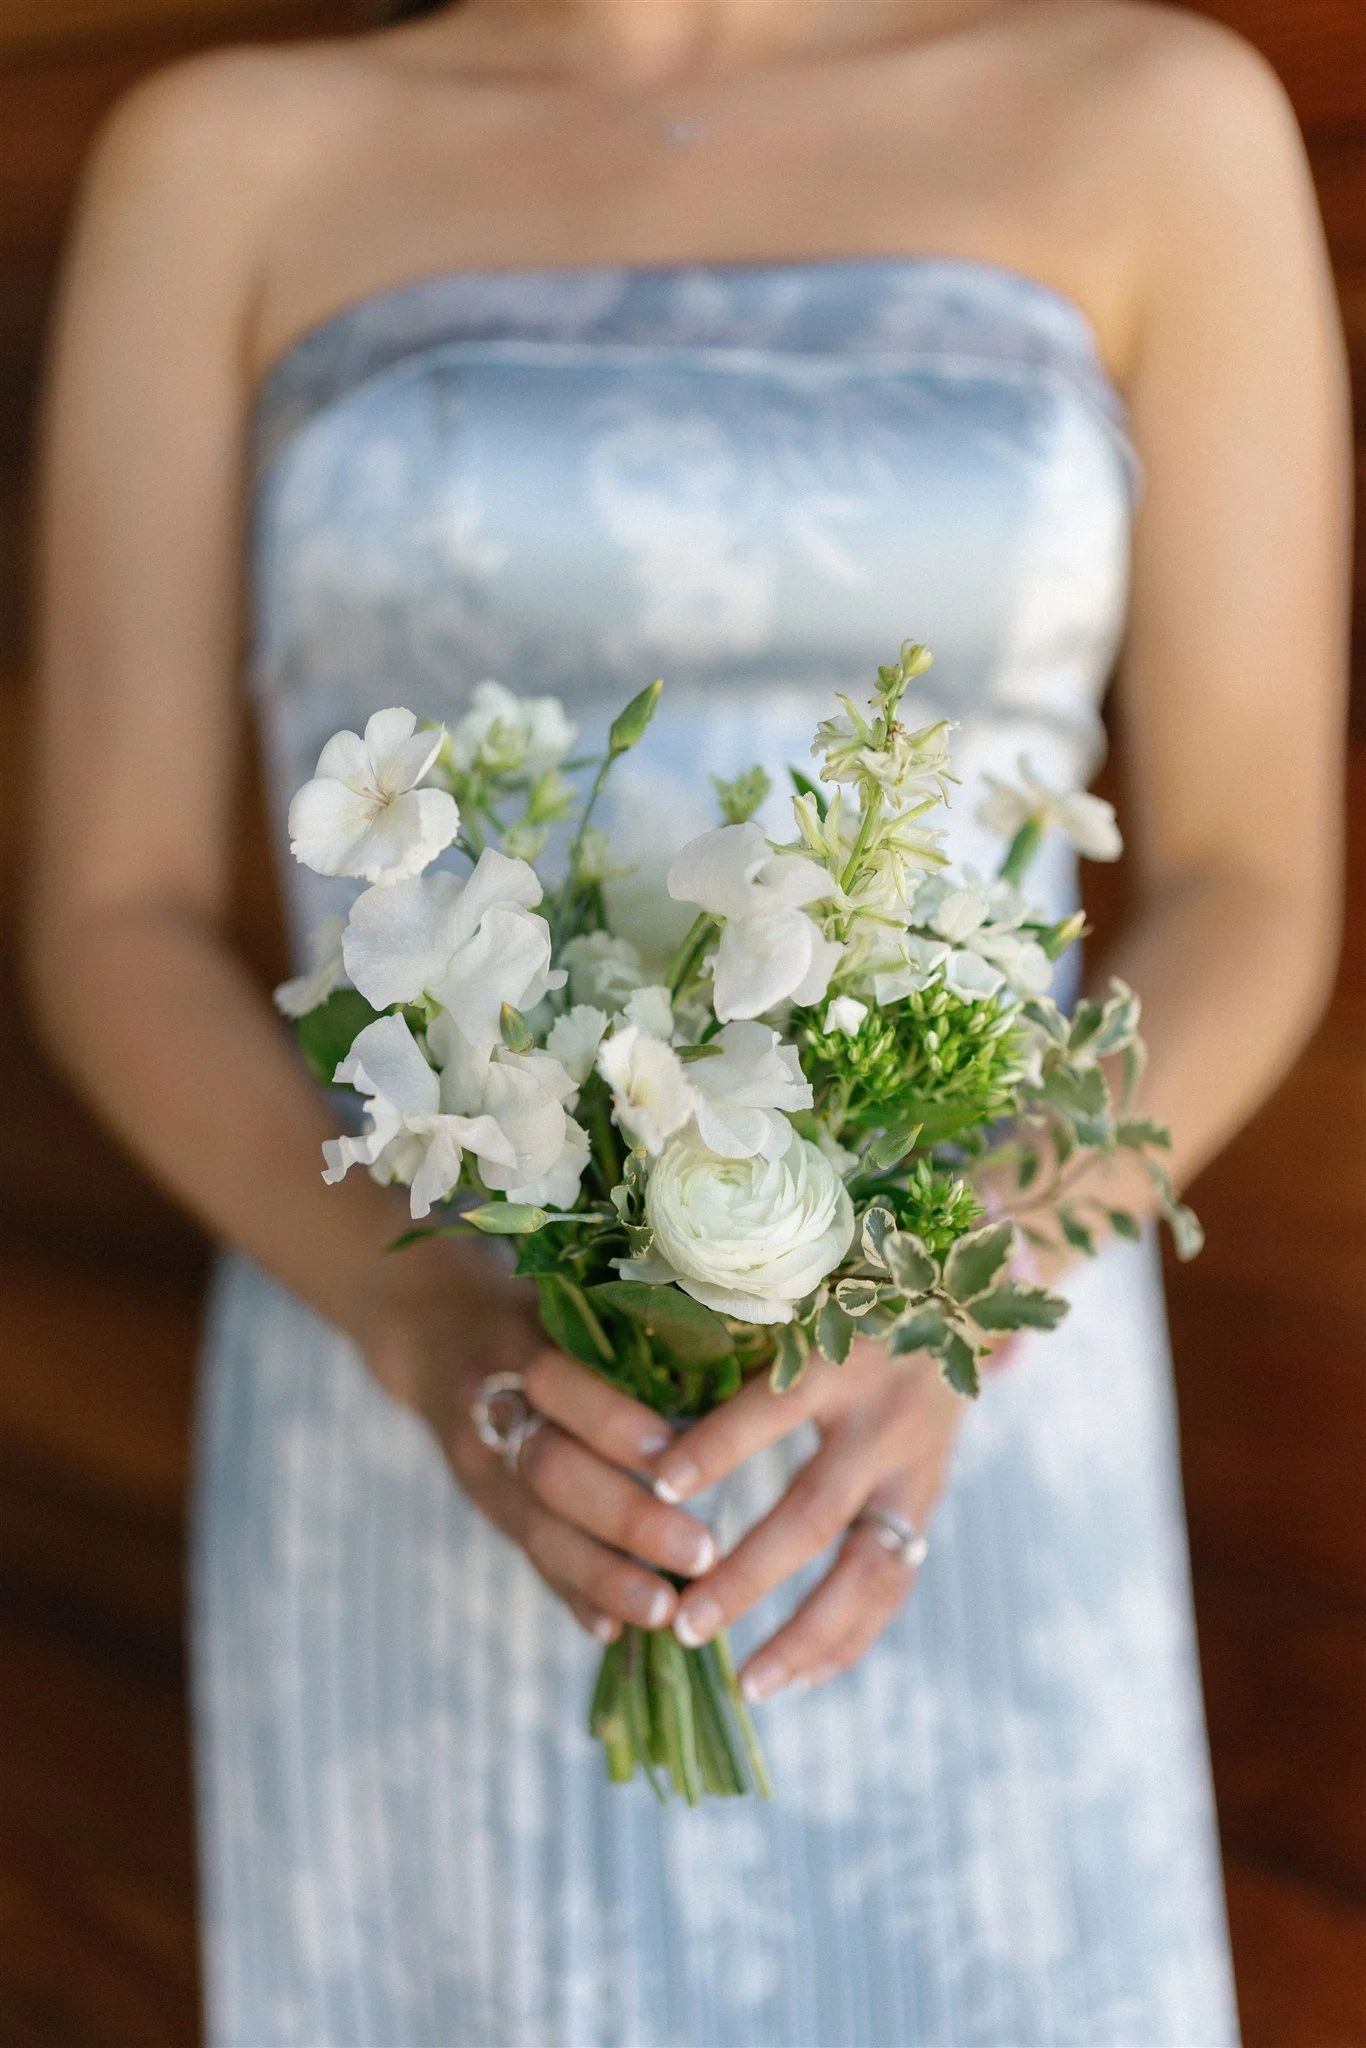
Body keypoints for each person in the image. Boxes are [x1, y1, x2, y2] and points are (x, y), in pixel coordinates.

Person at [27, 0, 1348, 2041]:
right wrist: (435, 1329)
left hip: (965, 1393)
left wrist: (963, 1286)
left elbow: (1252, 879)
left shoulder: (1157, 121)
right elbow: (109, 911)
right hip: (423, 1371)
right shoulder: (227, 162)